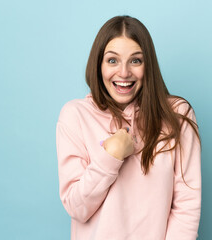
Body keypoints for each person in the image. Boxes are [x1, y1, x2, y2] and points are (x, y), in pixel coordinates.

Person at [56, 15, 201, 240]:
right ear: (98, 64)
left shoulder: (178, 115)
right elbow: (77, 208)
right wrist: (110, 157)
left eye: (135, 60)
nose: (124, 73)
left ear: (148, 65)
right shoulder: (75, 115)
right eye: (112, 60)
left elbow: (187, 205)